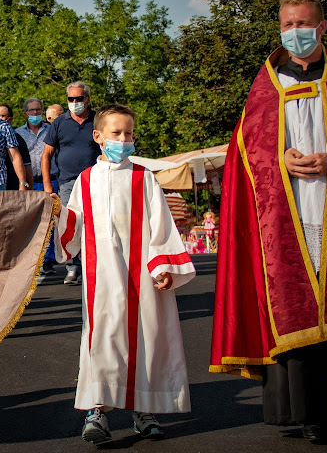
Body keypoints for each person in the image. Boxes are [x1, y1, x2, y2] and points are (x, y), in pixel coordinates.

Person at [210, 0, 327, 445]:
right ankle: (309, 414)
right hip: (286, 215)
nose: (294, 31)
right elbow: (244, 155)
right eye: (287, 24)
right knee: (295, 304)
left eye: (303, 23)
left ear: (323, 27)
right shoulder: (263, 89)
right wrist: (279, 160)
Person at [55, 104, 195, 445]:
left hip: (141, 276)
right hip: (100, 276)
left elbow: (159, 222)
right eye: (116, 133)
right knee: (102, 336)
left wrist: (163, 263)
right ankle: (97, 409)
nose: (124, 139)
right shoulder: (86, 180)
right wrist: (55, 213)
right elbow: (72, 227)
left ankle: (142, 408)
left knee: (145, 336)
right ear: (98, 137)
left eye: (129, 133)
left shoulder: (143, 177)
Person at [42, 82, 101, 283]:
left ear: (88, 99)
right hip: (67, 182)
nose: (75, 102)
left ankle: (92, 265)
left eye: (79, 99)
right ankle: (72, 267)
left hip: (95, 180)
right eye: (71, 99)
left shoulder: (98, 120)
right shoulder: (59, 123)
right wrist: (48, 184)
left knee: (94, 223)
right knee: (70, 223)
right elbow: (46, 155)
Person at [17, 98, 59, 276]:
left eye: (38, 110)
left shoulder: (52, 130)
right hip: (30, 181)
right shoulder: (18, 133)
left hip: (51, 179)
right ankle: (33, 259)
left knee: (50, 220)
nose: (35, 114)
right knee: (31, 221)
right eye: (31, 111)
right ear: (25, 113)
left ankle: (48, 260)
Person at [0, 105, 33, 191]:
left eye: (2, 116)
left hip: (13, 184)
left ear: (10, 119)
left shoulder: (17, 138)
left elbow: (26, 164)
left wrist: (27, 185)